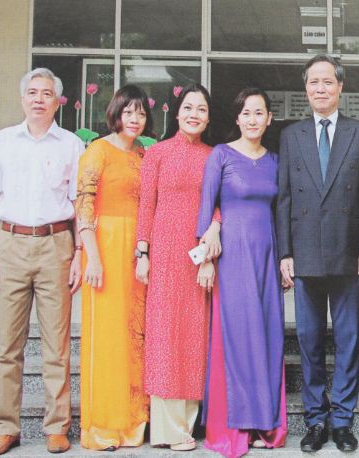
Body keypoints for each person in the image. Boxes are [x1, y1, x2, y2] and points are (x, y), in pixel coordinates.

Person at [0, 68, 84, 456]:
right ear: (23, 99)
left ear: (58, 102)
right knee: (9, 346)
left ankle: (57, 427)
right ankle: (6, 427)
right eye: (32, 92)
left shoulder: (71, 145)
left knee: (57, 346)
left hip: (56, 245)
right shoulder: (2, 141)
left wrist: (80, 254)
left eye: (47, 93)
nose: (39, 99)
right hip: (10, 245)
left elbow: (79, 205)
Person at [277, 54, 359, 453]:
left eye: (327, 82)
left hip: (348, 253)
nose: (320, 88)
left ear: (340, 87)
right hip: (304, 253)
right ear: (306, 89)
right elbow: (284, 198)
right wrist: (285, 252)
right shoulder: (291, 135)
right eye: (313, 82)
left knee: (349, 338)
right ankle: (316, 420)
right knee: (308, 339)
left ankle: (342, 421)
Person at [197, 88, 287, 458]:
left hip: (267, 254)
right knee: (236, 336)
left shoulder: (276, 160)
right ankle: (234, 427)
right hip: (232, 256)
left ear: (269, 118)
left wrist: (285, 259)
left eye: (259, 113)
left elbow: (281, 212)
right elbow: (207, 207)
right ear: (237, 118)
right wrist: (205, 258)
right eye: (246, 113)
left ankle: (264, 422)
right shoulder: (221, 155)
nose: (253, 119)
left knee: (266, 336)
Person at [135, 84, 221, 451]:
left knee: (194, 336)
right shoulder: (157, 153)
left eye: (201, 109)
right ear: (176, 111)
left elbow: (219, 205)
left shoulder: (214, 156)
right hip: (164, 255)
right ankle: (167, 429)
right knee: (164, 336)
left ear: (208, 117)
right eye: (188, 107)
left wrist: (210, 250)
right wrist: (142, 252)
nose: (194, 115)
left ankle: (187, 424)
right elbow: (146, 204)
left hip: (198, 255)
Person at [75, 84, 153, 450]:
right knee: (106, 337)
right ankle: (103, 425)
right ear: (116, 113)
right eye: (128, 112)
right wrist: (91, 255)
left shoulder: (143, 154)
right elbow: (84, 205)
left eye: (141, 113)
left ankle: (132, 422)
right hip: (104, 247)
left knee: (134, 335)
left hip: (136, 250)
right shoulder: (97, 150)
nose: (135, 119)